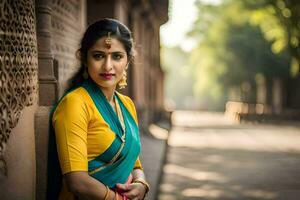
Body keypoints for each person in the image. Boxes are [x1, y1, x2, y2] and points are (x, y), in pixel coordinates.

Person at [51, 18, 149, 200]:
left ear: (128, 60)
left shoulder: (127, 104)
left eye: (117, 56)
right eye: (98, 56)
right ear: (84, 58)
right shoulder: (75, 103)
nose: (108, 66)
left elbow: (132, 161)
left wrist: (142, 183)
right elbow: (77, 182)